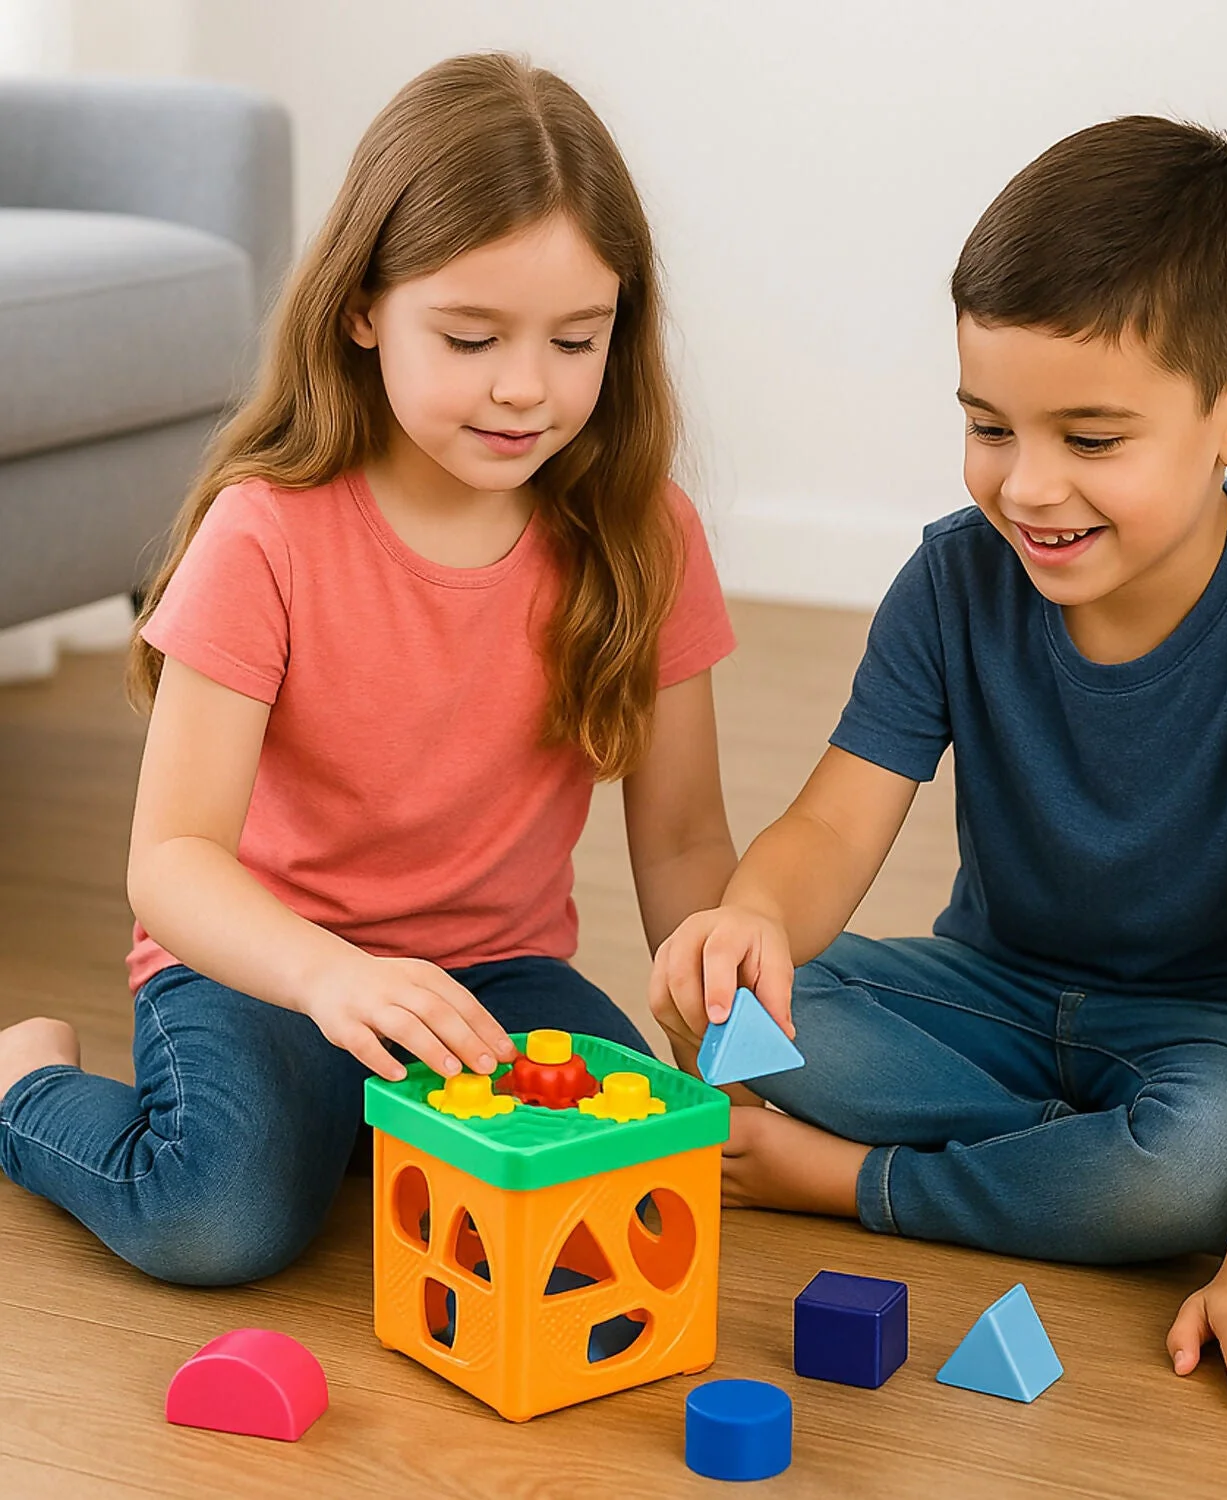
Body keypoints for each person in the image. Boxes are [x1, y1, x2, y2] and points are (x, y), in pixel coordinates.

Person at [650, 116, 1227, 1426]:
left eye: (1092, 439)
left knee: (1186, 1170)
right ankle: (1051, 1161)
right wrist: (752, 921)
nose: (1028, 487)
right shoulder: (952, 579)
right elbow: (833, 825)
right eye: (989, 427)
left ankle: (857, 1177)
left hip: (1204, 1029)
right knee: (717, 1020)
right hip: (990, 995)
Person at [0, 53, 737, 1286]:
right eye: (470, 336)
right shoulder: (266, 534)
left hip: (493, 976)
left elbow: (682, 842)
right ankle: (25, 1081)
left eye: (576, 339)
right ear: (362, 309)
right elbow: (171, 863)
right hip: (264, 964)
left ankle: (356, 1125)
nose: (525, 387)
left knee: (624, 1203)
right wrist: (329, 978)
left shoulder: (647, 533)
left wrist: (720, 1030)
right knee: (215, 1219)